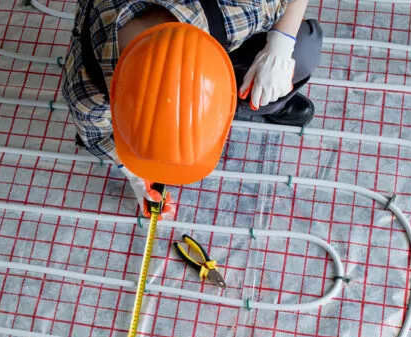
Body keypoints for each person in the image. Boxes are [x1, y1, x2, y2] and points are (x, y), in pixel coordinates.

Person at [61, 0, 322, 216]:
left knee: (302, 48)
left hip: (208, 25)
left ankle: (270, 98)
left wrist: (280, 46)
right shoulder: (87, 91)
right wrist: (138, 173)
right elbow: (98, 137)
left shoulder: (239, 12)